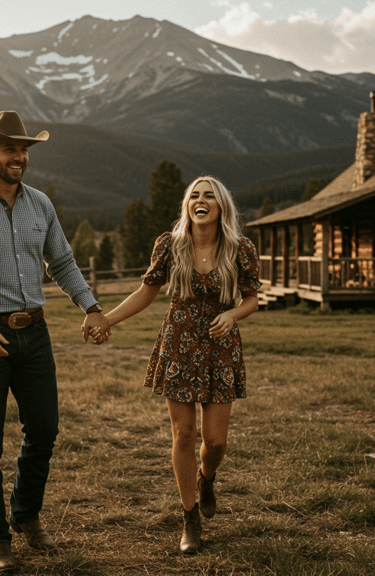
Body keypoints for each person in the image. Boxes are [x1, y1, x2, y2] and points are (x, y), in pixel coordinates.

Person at [0, 110, 111, 573]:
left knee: (44, 430)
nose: (20, 156)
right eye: (11, 148)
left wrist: (91, 307)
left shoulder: (41, 205)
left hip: (36, 334)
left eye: (25, 149)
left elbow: (63, 264)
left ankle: (25, 515)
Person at [96, 176, 260, 553]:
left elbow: (251, 299)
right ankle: (189, 519)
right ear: (188, 205)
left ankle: (207, 478)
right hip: (179, 346)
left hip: (220, 347)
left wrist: (233, 315)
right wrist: (107, 319)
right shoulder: (171, 246)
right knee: (183, 435)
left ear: (221, 207)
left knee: (216, 442)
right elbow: (146, 292)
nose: (201, 201)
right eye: (194, 196)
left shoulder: (240, 248)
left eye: (209, 196)